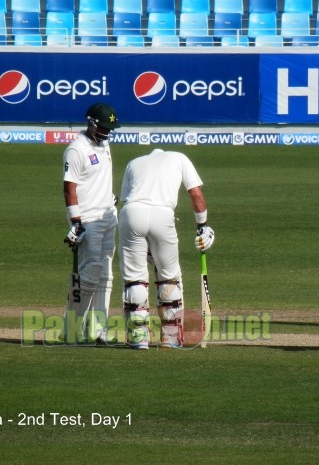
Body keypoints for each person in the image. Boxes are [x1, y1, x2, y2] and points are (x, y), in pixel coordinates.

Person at [118, 148, 215, 349]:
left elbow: (126, 199)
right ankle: (170, 337)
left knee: (135, 277)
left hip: (131, 214)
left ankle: (138, 337)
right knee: (169, 276)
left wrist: (146, 245)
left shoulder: (134, 162)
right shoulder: (179, 158)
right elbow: (196, 193)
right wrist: (202, 227)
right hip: (162, 215)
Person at [62, 102, 120, 344]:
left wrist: (110, 198)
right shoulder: (76, 149)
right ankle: (71, 331)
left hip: (109, 217)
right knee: (88, 276)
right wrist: (76, 222)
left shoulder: (104, 145)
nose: (107, 132)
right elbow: (69, 188)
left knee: (106, 276)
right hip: (89, 221)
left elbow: (100, 180)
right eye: (104, 127)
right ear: (91, 123)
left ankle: (97, 330)